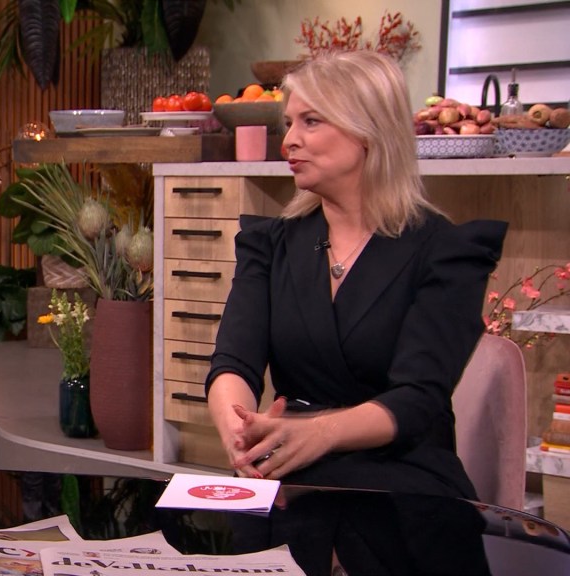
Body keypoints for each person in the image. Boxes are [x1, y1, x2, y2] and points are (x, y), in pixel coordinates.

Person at [205, 50, 506, 499]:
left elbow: (418, 397)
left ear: (368, 131)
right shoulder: (270, 245)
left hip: (404, 478)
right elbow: (233, 363)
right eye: (289, 123)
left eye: (311, 121)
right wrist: (239, 433)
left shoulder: (445, 252)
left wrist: (321, 432)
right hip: (288, 473)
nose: (289, 142)